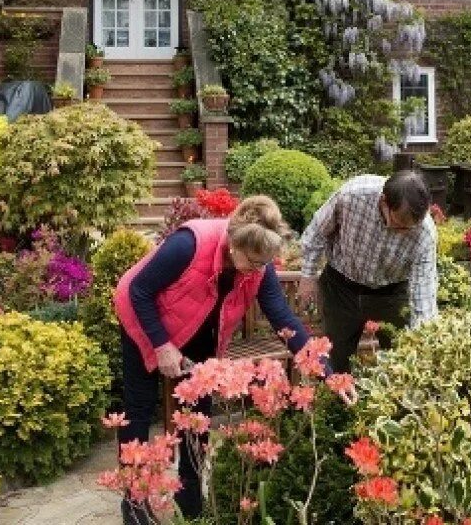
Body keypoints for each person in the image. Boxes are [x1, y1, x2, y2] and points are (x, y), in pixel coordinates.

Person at [113, 195, 322, 520]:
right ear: (233, 244)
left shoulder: (258, 266)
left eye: (263, 264)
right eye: (252, 262)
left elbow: (282, 317)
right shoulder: (189, 245)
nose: (257, 270)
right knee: (138, 410)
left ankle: (191, 505)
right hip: (144, 321)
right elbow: (139, 290)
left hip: (198, 332)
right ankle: (135, 504)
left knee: (198, 417)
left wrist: (320, 365)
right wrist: (162, 345)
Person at [298, 170, 438, 373]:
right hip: (340, 289)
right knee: (335, 364)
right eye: (399, 226)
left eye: (411, 229)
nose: (404, 234)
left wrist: (424, 339)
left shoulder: (425, 233)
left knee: (401, 362)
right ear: (384, 202)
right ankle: (337, 403)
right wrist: (308, 276)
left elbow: (423, 291)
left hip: (391, 295)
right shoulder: (352, 195)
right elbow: (317, 232)